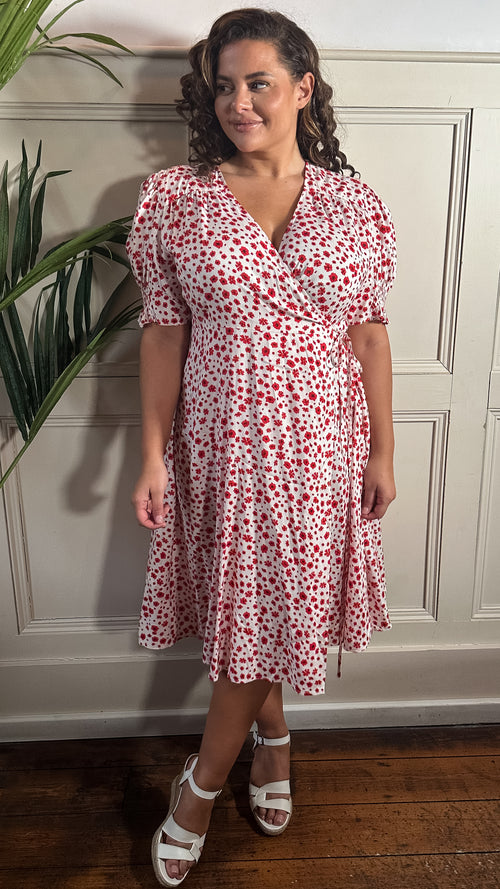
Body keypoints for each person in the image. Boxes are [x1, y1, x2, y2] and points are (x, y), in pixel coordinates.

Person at [126, 7, 396, 886]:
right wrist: (151, 454)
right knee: (254, 607)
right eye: (224, 86)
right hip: (223, 442)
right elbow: (163, 334)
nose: (238, 102)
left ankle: (204, 783)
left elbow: (369, 335)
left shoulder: (354, 204)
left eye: (259, 83)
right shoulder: (177, 198)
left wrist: (383, 451)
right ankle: (265, 742)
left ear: (302, 89)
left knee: (272, 606)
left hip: (322, 446)